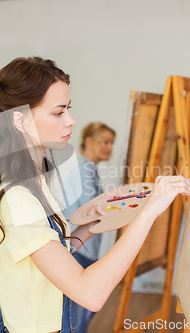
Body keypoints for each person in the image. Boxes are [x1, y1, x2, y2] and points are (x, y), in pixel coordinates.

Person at [0, 56, 190, 333]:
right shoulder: (16, 197)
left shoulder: (32, 183)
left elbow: (43, 261)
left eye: (68, 109)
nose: (71, 121)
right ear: (20, 121)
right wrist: (148, 212)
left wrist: (83, 231)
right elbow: (90, 294)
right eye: (58, 112)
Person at [62, 122, 115, 333]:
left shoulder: (86, 167)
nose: (109, 147)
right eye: (104, 141)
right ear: (88, 141)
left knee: (79, 313)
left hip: (82, 247)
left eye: (111, 143)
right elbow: (92, 208)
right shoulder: (84, 168)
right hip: (79, 248)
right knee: (79, 316)